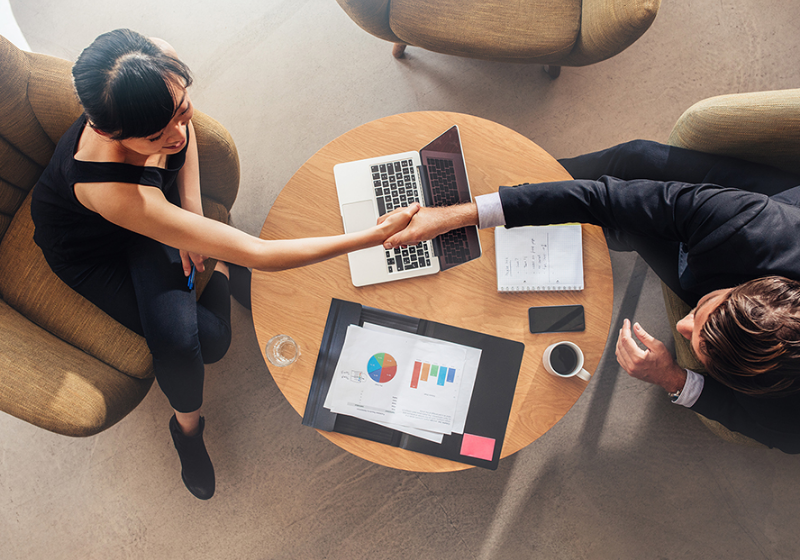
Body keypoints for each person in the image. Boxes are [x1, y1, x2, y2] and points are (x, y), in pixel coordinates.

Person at [31, 29, 419, 500]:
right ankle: (187, 431)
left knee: (207, 338)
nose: (176, 136)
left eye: (182, 112)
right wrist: (374, 236)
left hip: (157, 210)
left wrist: (191, 213)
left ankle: (221, 275)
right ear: (106, 131)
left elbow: (181, 135)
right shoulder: (109, 191)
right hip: (92, 246)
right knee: (194, 342)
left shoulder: (159, 61)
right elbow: (259, 253)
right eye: (155, 135)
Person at [382, 139, 800, 453]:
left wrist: (674, 378)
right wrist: (461, 215)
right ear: (745, 286)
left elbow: (754, 422)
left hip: (728, 266)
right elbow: (606, 198)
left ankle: (573, 225)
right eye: (703, 315)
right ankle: (524, 185)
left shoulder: (788, 415)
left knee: (631, 228)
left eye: (699, 345)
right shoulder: (748, 223)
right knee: (631, 164)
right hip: (770, 216)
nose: (680, 325)